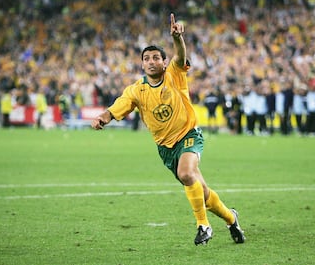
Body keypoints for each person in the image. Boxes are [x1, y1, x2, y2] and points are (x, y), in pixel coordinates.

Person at [91, 13, 245, 246]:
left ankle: (203, 226)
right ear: (142, 64)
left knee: (186, 173)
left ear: (164, 62)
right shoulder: (136, 90)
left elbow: (180, 55)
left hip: (189, 135)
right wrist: (104, 117)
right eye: (147, 58)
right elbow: (117, 107)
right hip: (165, 148)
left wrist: (177, 38)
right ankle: (231, 218)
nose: (151, 61)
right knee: (202, 192)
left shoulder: (174, 74)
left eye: (156, 58)